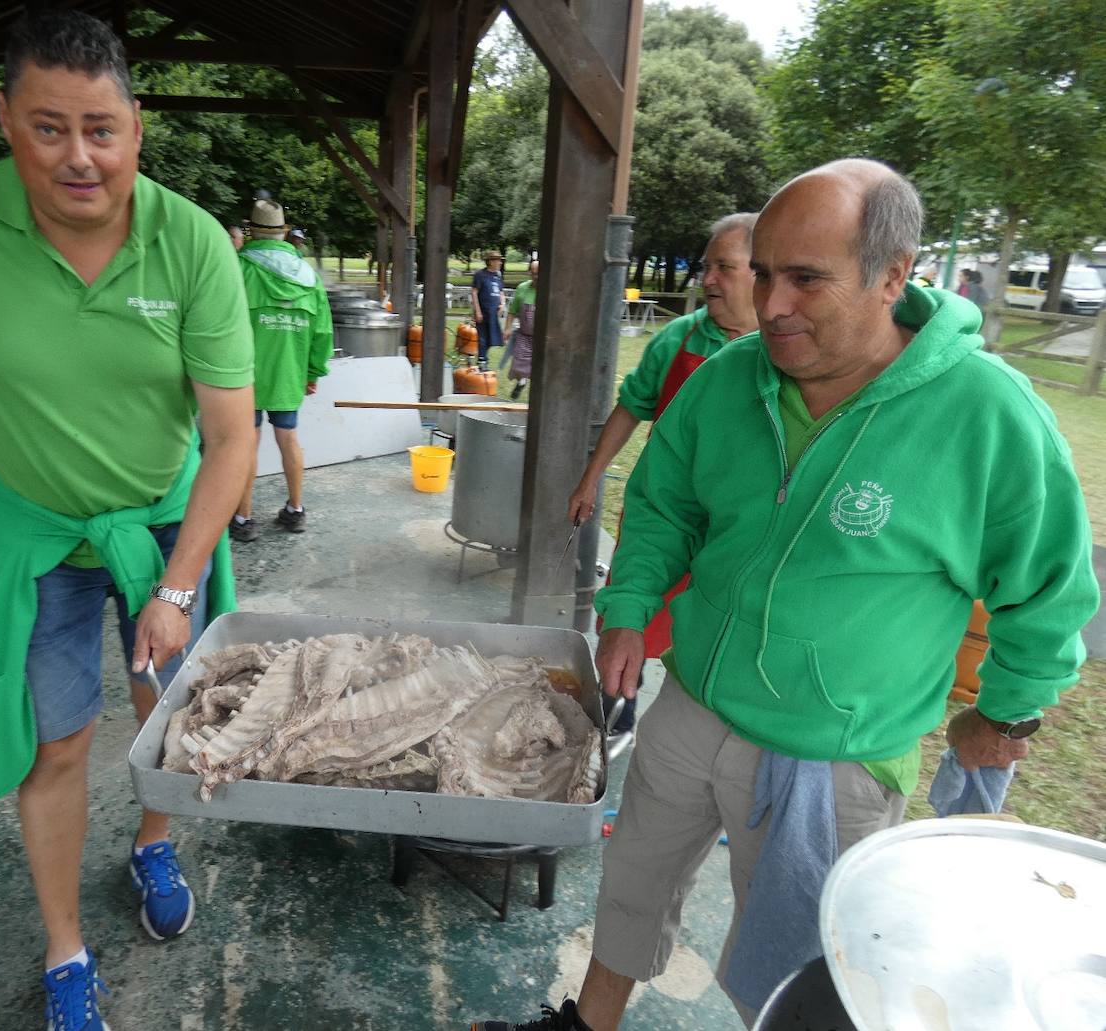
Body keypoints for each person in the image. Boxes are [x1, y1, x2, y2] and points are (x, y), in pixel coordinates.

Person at [477, 159, 1098, 1031]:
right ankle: (588, 1024)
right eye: (763, 271)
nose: (770, 304)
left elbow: (1049, 591)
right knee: (633, 884)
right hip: (693, 703)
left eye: (806, 278)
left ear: (894, 273)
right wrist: (627, 609)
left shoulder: (987, 415)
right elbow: (663, 503)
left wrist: (1005, 716)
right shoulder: (731, 380)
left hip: (831, 752)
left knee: (801, 969)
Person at [0, 12, 256, 1030]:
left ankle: (155, 839)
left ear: (136, 127)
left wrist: (176, 584)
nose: (79, 156)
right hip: (40, 537)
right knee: (59, 744)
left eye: (101, 129)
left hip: (169, 525)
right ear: (3, 119)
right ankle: (65, 947)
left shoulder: (194, 241)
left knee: (171, 709)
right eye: (47, 127)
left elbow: (232, 435)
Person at [567, 213, 759, 744]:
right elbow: (631, 407)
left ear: (760, 273)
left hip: (736, 523)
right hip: (665, 508)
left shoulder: (786, 351)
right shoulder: (679, 338)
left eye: (725, 267)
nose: (708, 280)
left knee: (710, 620)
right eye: (707, 267)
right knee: (633, 610)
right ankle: (617, 705)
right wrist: (590, 479)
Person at [230, 198, 332, 542]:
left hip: (244, 377)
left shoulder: (237, 269)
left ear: (252, 231)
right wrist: (313, 372)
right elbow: (322, 332)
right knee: (289, 437)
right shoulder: (309, 276)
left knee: (247, 442)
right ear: (284, 232)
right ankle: (295, 509)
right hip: (289, 373)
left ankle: (243, 518)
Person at [501, 260, 538, 398]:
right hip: (524, 334)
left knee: (539, 366)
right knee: (519, 364)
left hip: (541, 338)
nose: (535, 277)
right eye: (533, 274)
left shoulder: (549, 290)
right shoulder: (522, 288)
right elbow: (512, 311)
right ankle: (521, 382)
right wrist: (507, 328)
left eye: (538, 274)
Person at [470, 249, 506, 364]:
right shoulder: (480, 275)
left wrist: (503, 304)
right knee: (483, 337)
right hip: (483, 311)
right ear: (491, 262)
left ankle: (483, 358)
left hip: (494, 313)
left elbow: (501, 292)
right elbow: (474, 292)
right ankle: (482, 360)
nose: (500, 263)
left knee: (493, 338)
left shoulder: (497, 276)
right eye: (498, 261)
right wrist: (478, 311)